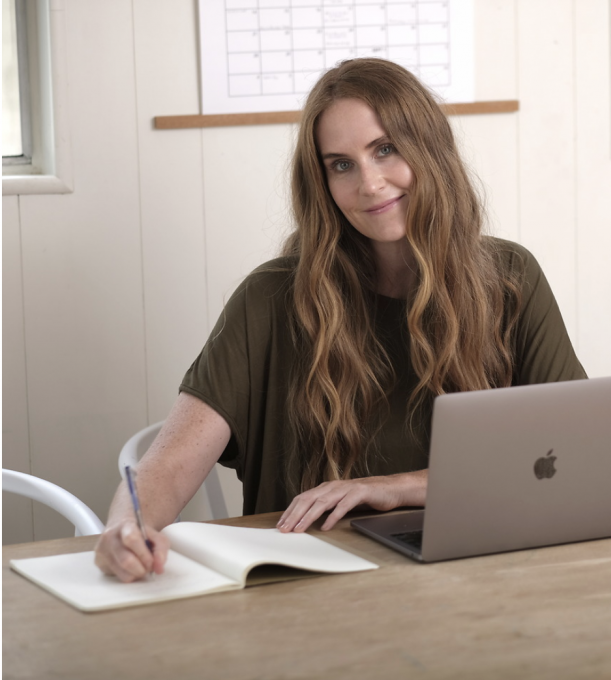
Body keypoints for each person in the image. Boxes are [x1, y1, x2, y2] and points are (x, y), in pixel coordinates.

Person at [94, 58, 585, 583]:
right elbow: (166, 465)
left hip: (479, 572)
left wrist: (396, 486)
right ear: (322, 182)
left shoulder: (510, 277)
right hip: (311, 588)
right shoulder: (269, 299)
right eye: (341, 165)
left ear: (431, 151)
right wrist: (125, 528)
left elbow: (571, 451)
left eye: (385, 149)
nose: (370, 184)